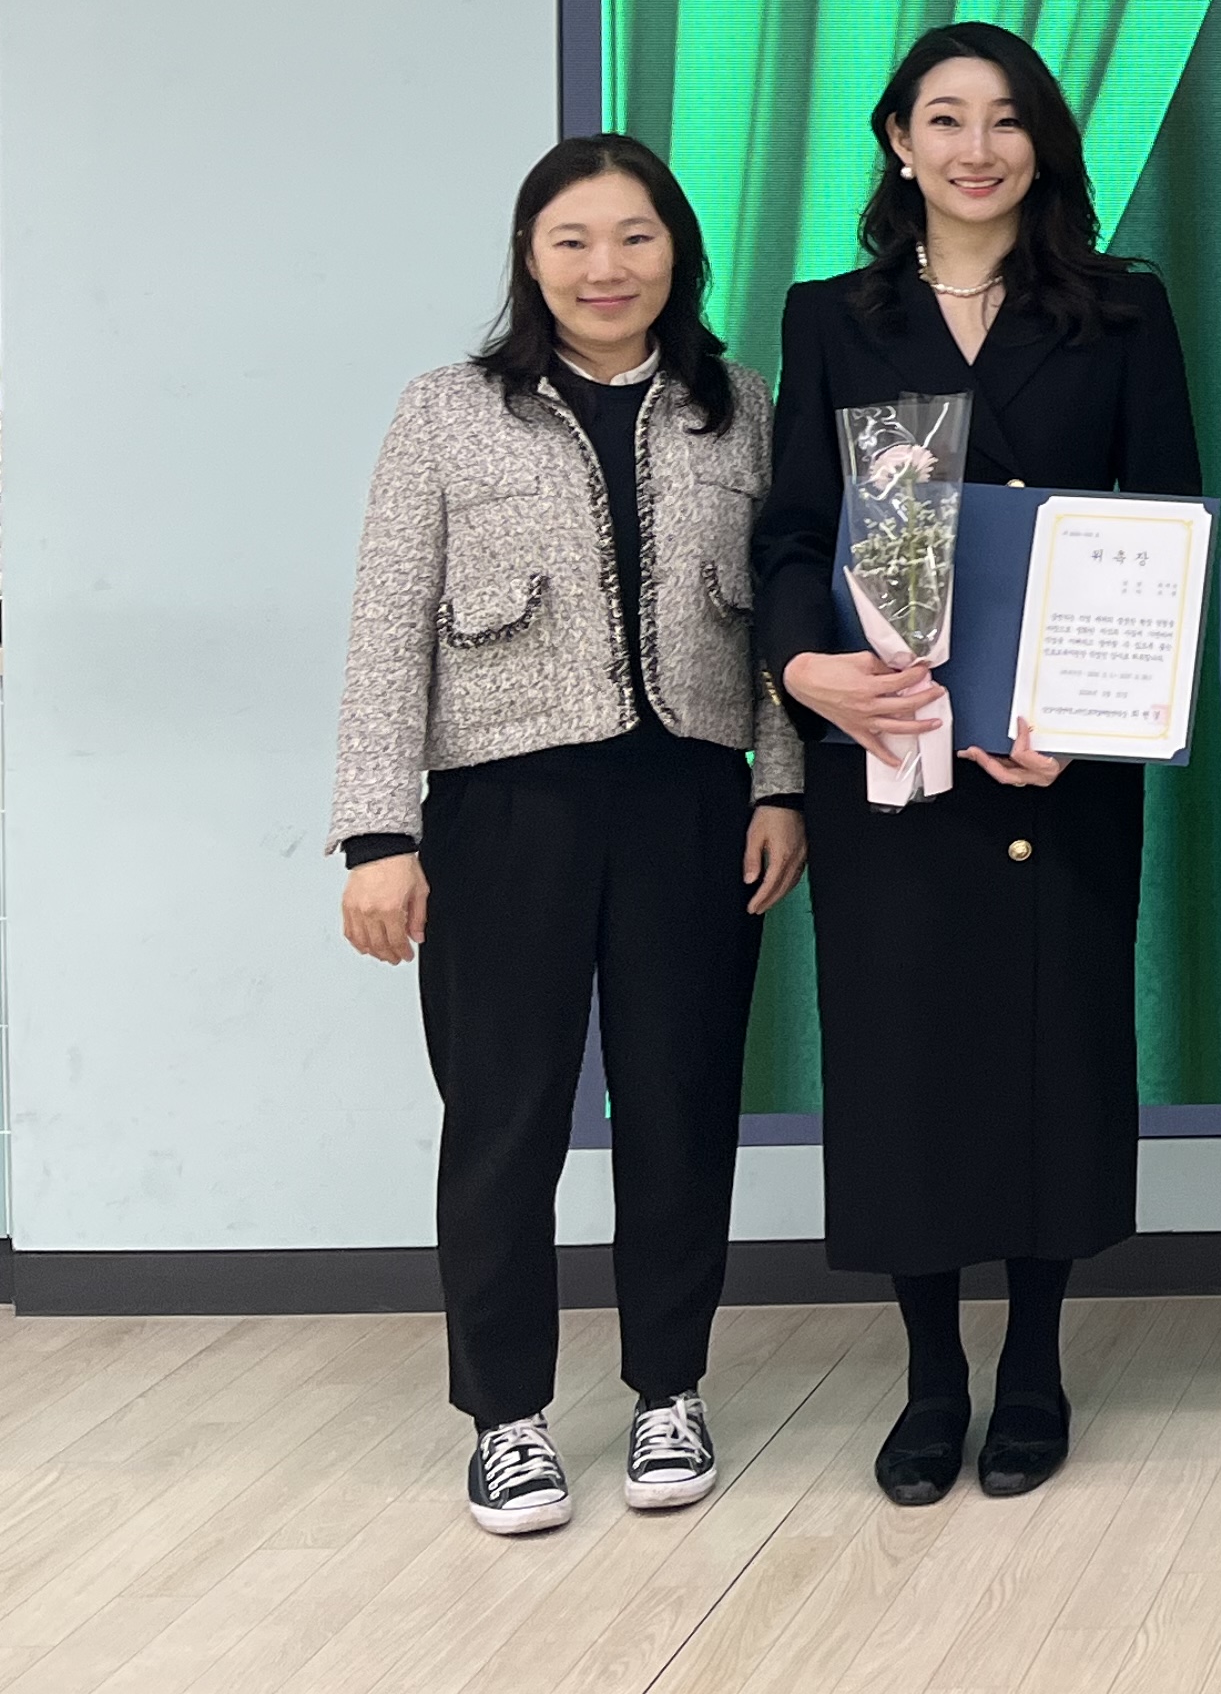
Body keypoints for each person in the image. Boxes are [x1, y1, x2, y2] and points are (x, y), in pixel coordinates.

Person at [750, 20, 1202, 1506]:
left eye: (1005, 119)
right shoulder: (834, 318)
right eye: (943, 118)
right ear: (898, 142)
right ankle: (931, 1373)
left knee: (1049, 1053)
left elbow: (1165, 530)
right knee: (906, 1058)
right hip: (888, 747)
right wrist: (806, 672)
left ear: (1042, 143)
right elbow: (794, 531)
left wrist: (1082, 718)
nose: (975, 148)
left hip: (1059, 761)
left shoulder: (1120, 312)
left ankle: (1037, 1367)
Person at [329, 133, 807, 1537]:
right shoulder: (447, 411)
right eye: (574, 241)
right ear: (530, 260)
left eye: (636, 237)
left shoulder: (740, 407)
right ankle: (507, 1419)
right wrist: (377, 835)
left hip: (690, 805)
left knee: (679, 1108)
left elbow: (783, 617)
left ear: (679, 254)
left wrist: (781, 786)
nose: (608, 268)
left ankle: (669, 1391)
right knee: (504, 1117)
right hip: (502, 811)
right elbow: (385, 624)